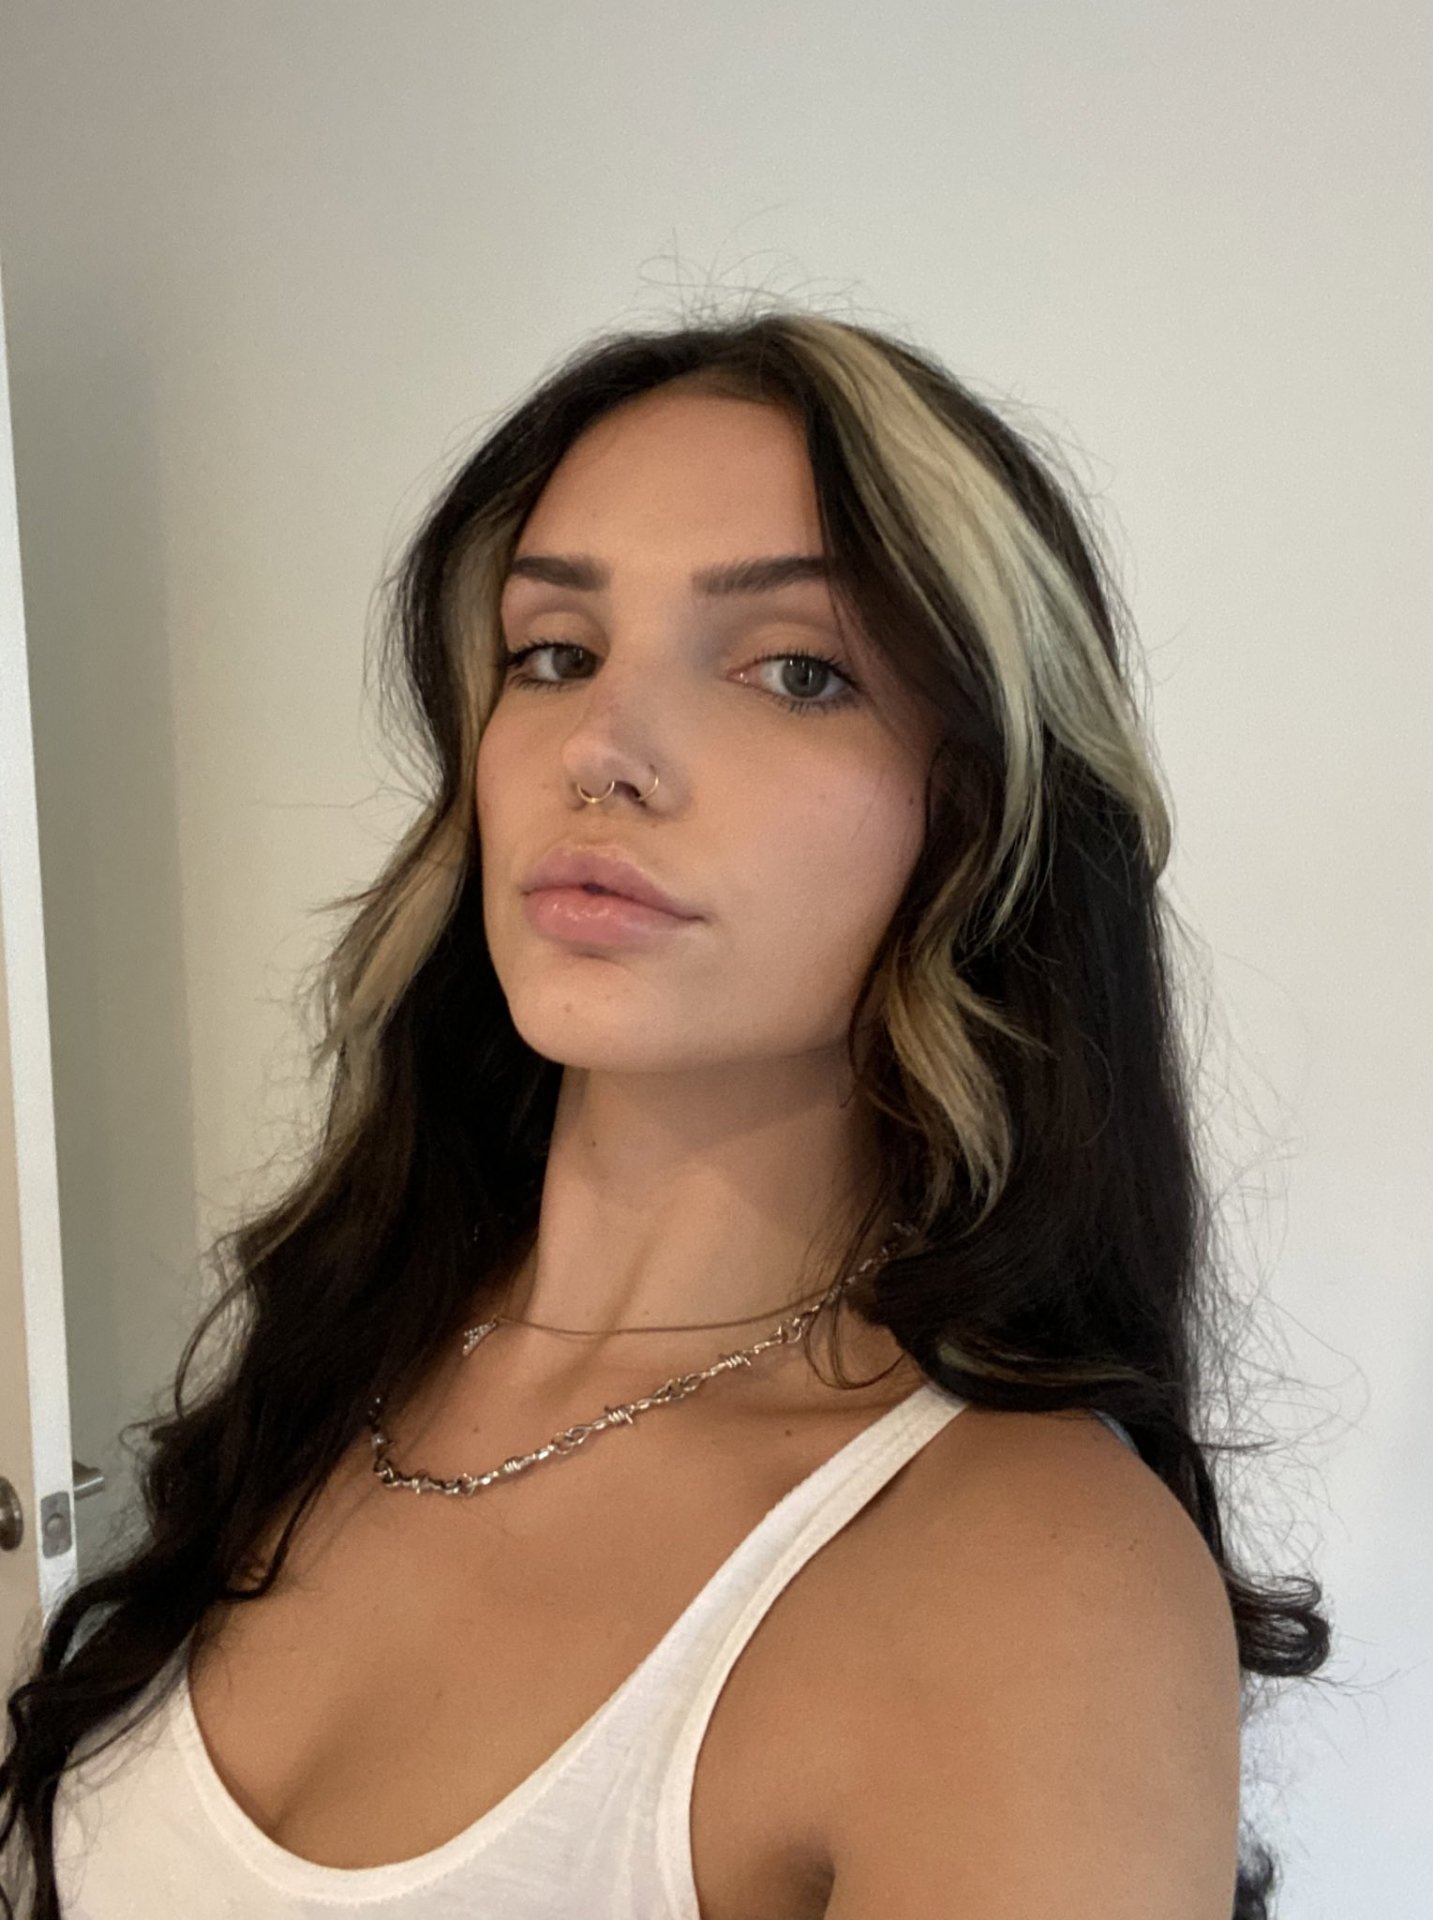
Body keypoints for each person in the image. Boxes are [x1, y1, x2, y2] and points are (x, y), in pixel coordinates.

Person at [0, 309, 1328, 1919]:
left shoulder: (1023, 1579)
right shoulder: (342, 1356)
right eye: (553, 653)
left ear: (985, 813)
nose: (600, 750)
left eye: (796, 671)